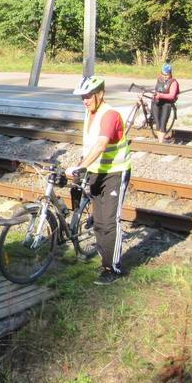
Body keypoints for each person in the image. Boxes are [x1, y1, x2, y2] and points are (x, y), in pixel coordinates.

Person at [65, 75, 132, 285]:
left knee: (110, 221)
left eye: (88, 96)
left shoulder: (109, 114)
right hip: (96, 172)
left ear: (100, 94)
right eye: (82, 97)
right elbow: (90, 145)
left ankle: (113, 268)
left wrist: (81, 166)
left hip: (115, 173)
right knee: (99, 221)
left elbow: (102, 144)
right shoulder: (89, 112)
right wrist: (83, 164)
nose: (84, 100)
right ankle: (105, 262)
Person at [152, 63, 180, 143]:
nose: (164, 76)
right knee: (157, 122)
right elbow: (156, 90)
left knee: (163, 122)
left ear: (170, 74)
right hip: (156, 102)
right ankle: (160, 140)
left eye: (167, 75)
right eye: (163, 74)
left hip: (166, 104)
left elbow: (171, 96)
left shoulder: (173, 82)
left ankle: (160, 143)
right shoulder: (159, 79)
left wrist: (160, 95)